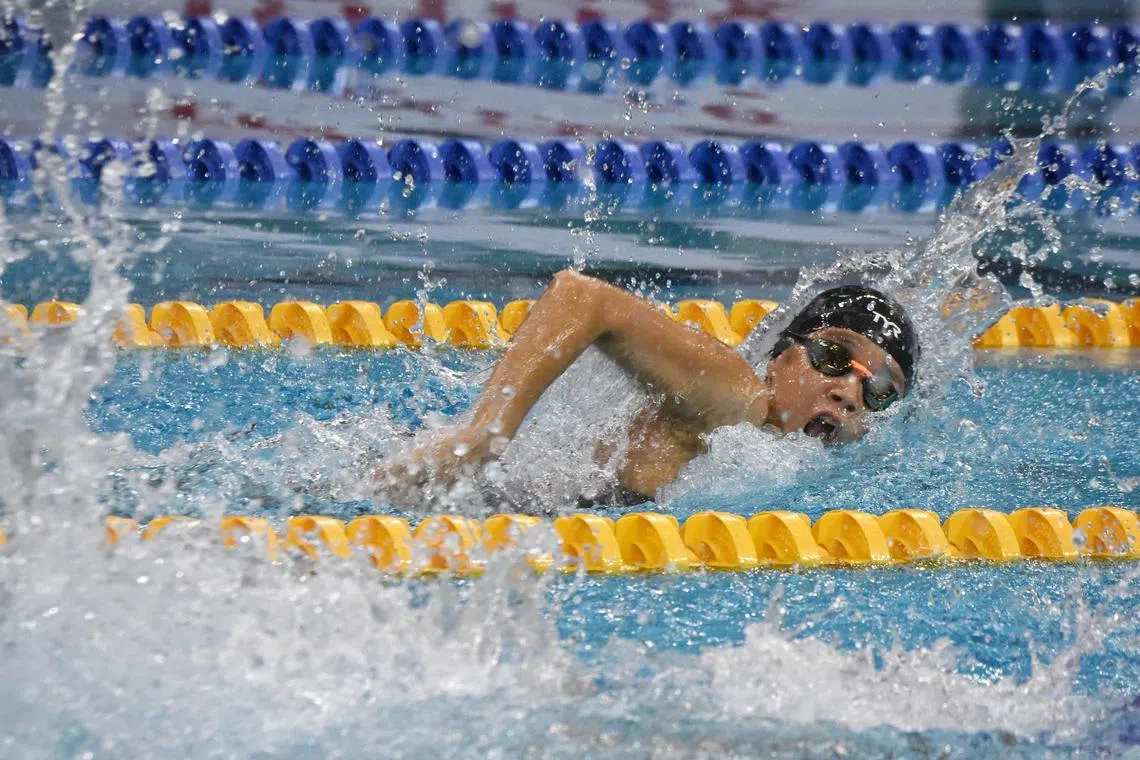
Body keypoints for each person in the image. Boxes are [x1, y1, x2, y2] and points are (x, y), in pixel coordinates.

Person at [375, 269, 920, 506]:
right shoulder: (738, 400)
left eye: (879, 393)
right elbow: (583, 298)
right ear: (780, 357)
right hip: (506, 511)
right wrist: (485, 433)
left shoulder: (774, 458)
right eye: (833, 357)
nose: (848, 393)